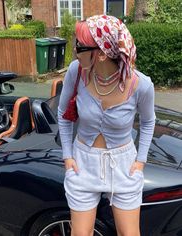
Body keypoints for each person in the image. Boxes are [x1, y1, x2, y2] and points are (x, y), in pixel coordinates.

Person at [57, 15, 156, 236]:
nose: (74, 50)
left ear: (101, 53)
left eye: (80, 46)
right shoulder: (76, 72)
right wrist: (67, 157)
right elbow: (63, 115)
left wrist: (140, 162)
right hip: (83, 163)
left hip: (123, 164)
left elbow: (149, 121)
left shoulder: (141, 85)